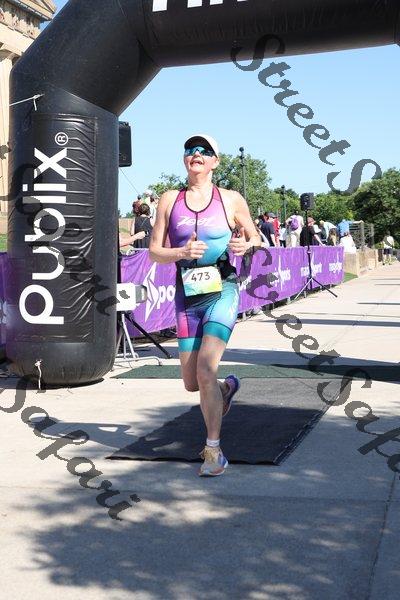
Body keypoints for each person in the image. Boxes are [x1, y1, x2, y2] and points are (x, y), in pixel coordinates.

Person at [149, 133, 261, 477]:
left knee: (206, 370)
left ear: (215, 161)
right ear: (185, 159)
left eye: (204, 150)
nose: (196, 153)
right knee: (191, 381)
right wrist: (181, 252)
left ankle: (213, 452)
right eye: (190, 149)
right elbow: (154, 251)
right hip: (187, 295)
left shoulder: (230, 199)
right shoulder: (170, 199)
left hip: (222, 290)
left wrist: (246, 245)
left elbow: (255, 237)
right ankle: (225, 390)